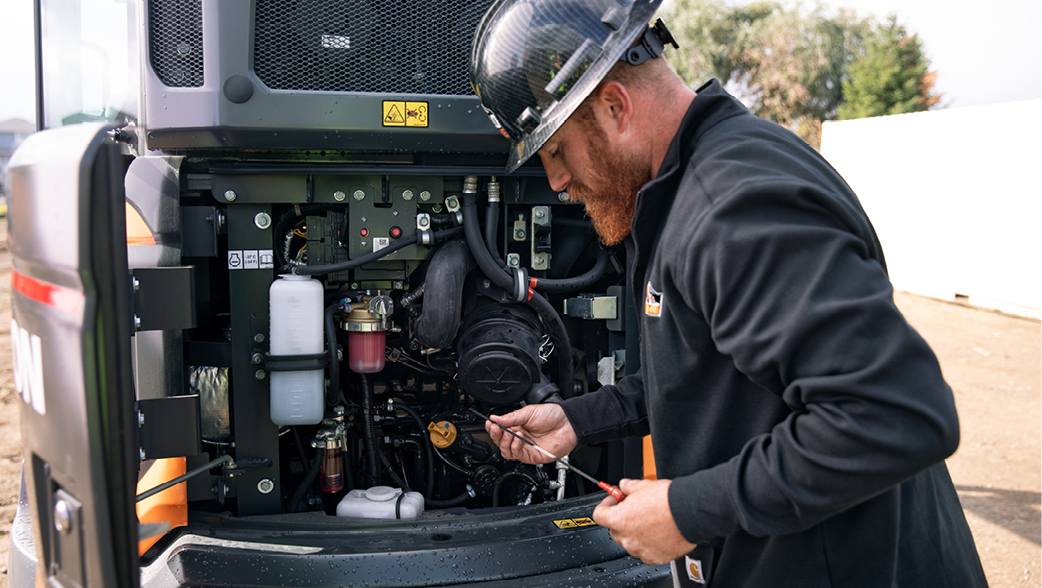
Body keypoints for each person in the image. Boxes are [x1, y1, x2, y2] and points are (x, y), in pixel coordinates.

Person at [469, 0, 988, 586]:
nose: (557, 181)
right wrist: (578, 421)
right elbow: (713, 374)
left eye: (557, 151)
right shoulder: (689, 190)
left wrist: (684, 511)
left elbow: (896, 413)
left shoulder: (735, 206)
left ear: (614, 106)